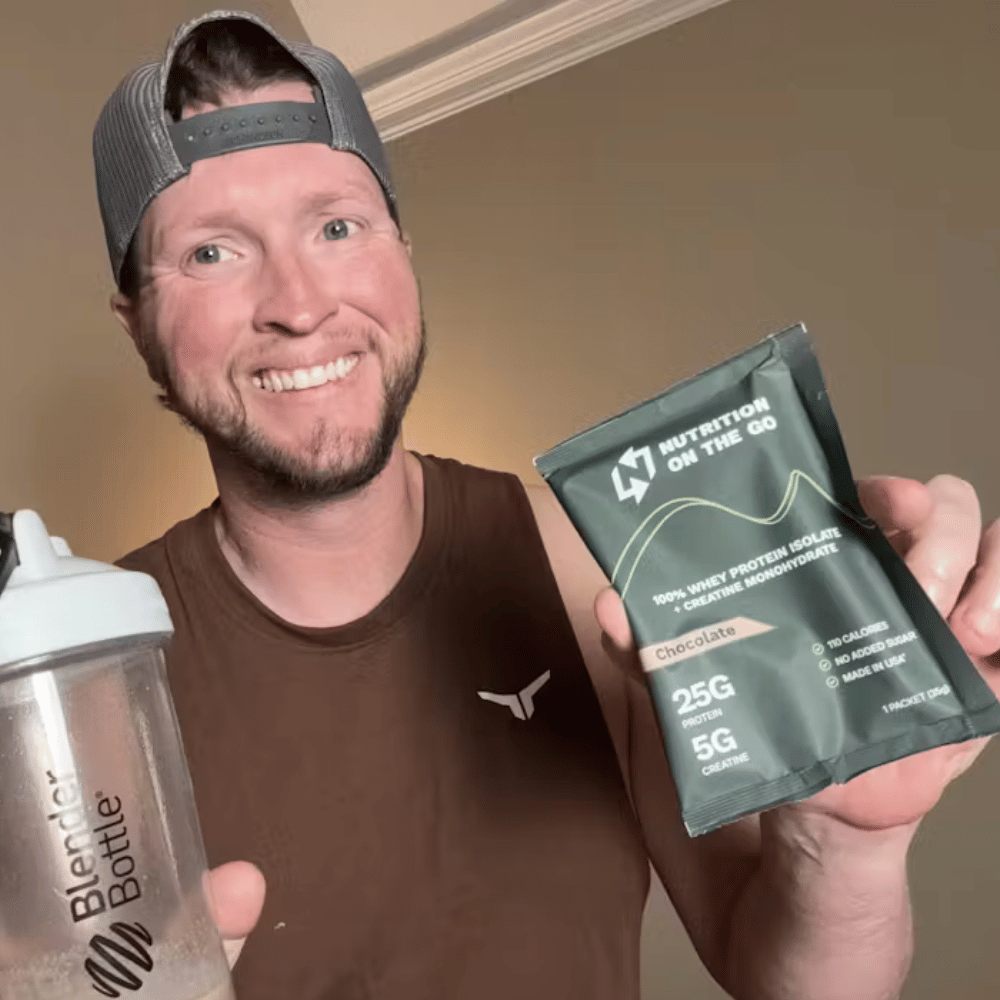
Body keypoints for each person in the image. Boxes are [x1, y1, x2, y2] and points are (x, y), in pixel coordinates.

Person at [94, 11, 1000, 999]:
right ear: (136, 318)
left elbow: (789, 979)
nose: (300, 303)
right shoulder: (77, 690)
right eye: (212, 254)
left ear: (402, 248)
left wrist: (844, 841)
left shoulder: (588, 570)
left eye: (338, 226)